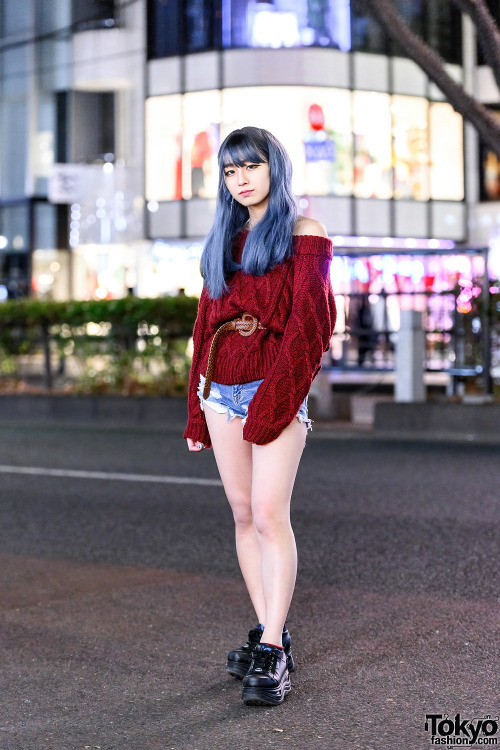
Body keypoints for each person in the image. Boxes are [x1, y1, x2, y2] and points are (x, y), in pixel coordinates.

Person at [184, 126, 336, 706]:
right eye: (229, 171)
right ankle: (270, 632)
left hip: (275, 388)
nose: (241, 179)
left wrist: (275, 402)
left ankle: (271, 648)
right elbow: (205, 327)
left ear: (274, 166)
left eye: (250, 166)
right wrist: (198, 412)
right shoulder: (224, 237)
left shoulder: (304, 234)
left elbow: (310, 326)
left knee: (272, 514)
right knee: (244, 513)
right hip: (220, 389)